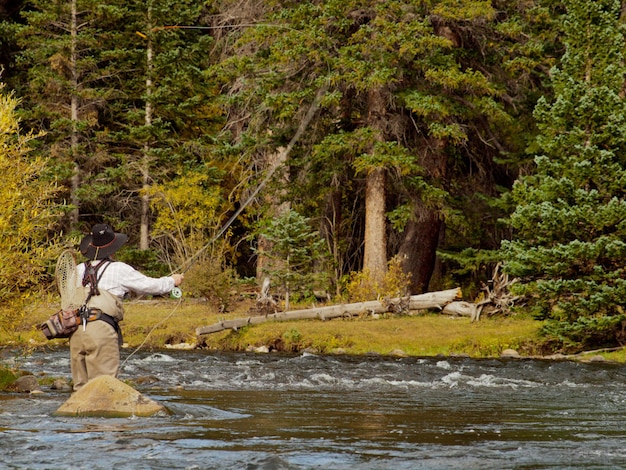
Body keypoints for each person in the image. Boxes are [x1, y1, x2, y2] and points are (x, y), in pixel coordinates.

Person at [69, 223, 184, 390]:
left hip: (76, 331)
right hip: (101, 329)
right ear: (112, 249)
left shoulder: (78, 270)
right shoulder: (119, 269)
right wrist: (172, 281)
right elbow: (150, 286)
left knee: (81, 389)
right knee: (105, 386)